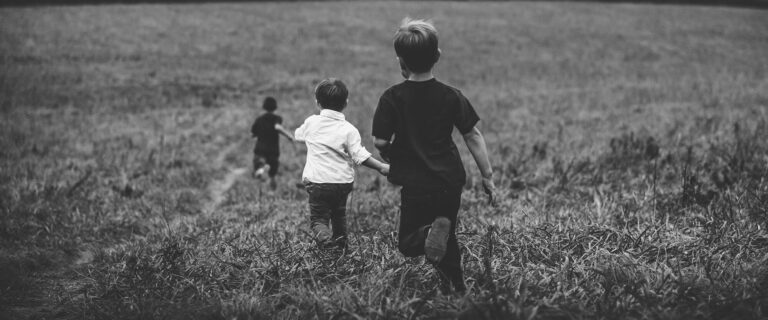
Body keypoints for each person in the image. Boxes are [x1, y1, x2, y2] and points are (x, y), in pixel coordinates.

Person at [372, 18, 497, 294]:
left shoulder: (392, 97)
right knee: (446, 236)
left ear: (400, 61)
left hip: (416, 183)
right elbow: (473, 135)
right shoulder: (452, 96)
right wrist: (487, 176)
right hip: (449, 181)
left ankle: (429, 234)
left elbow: (380, 140)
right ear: (437, 56)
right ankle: (456, 288)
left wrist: (389, 153)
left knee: (408, 241)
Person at [295, 78, 390, 251]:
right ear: (346, 103)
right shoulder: (349, 129)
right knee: (339, 215)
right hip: (342, 183)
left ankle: (326, 243)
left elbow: (299, 135)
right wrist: (381, 166)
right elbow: (359, 155)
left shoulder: (311, 122)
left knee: (318, 220)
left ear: (317, 103)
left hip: (318, 182)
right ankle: (342, 247)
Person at [251, 96, 294, 189]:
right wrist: (289, 136)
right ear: (275, 107)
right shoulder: (277, 118)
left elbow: (253, 134)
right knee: (273, 172)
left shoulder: (259, 119)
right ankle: (272, 188)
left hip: (260, 148)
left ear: (264, 106)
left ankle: (261, 168)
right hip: (273, 149)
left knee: (259, 162)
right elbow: (278, 127)